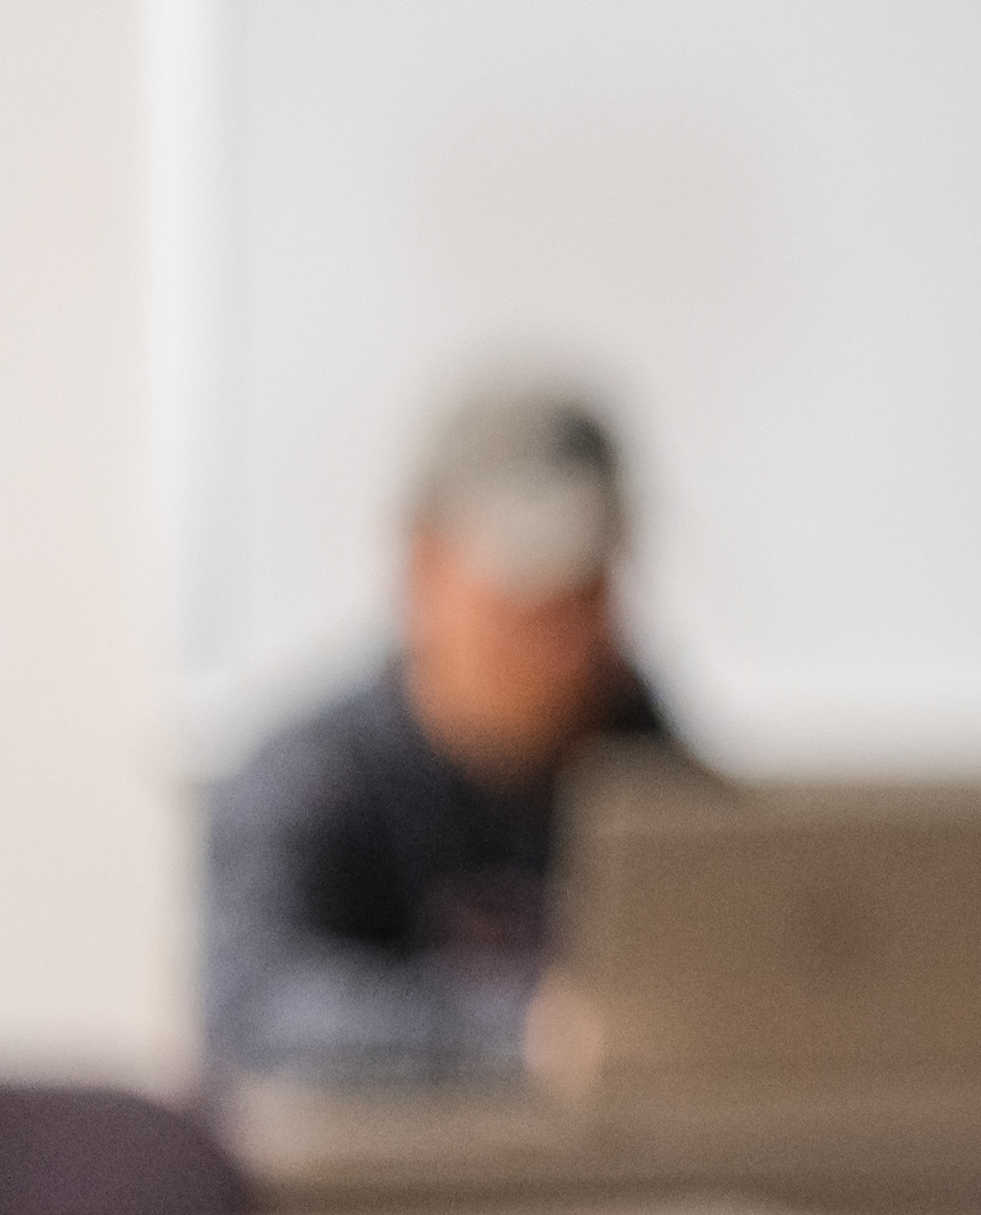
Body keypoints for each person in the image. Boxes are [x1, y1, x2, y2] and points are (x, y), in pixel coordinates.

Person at [202, 381, 678, 1086]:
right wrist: (519, 1033)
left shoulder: (644, 755)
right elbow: (253, 1011)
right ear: (425, 563)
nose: (566, 638)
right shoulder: (312, 774)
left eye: (591, 588)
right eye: (530, 586)